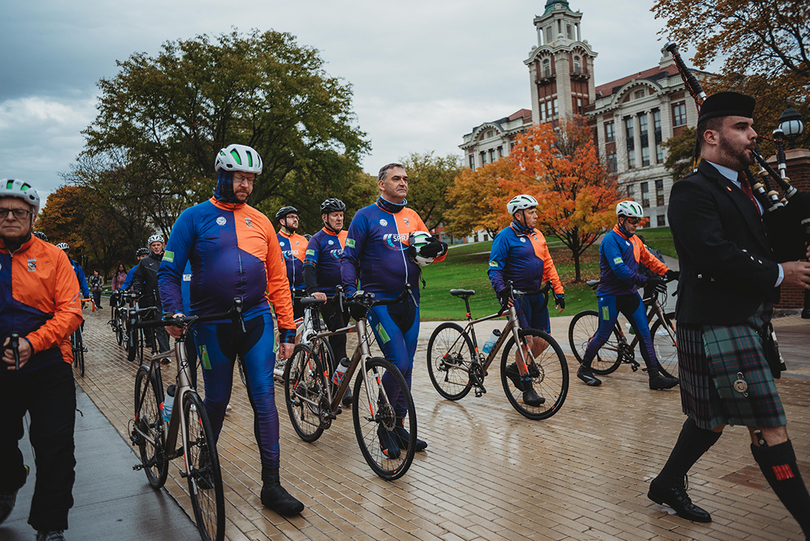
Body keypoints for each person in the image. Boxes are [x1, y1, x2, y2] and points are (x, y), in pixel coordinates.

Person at [647, 91, 810, 535]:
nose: (754, 134)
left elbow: (765, 244)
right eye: (743, 127)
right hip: (717, 321)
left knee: (711, 421)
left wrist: (796, 217)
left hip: (744, 319)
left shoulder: (744, 189)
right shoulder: (691, 191)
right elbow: (716, 255)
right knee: (769, 426)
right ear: (712, 135)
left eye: (752, 127)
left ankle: (665, 483)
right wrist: (779, 272)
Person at [158, 143, 303, 516]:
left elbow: (277, 279)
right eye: (239, 177)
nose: (245, 185)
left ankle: (271, 484)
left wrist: (287, 327)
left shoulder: (261, 220)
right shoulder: (193, 217)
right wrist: (174, 312)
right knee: (218, 399)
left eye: (251, 179)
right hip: (211, 324)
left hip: (256, 320)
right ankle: (207, 457)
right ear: (222, 175)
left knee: (265, 401)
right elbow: (169, 272)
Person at [341, 162, 447, 457]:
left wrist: (439, 250)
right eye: (396, 178)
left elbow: (430, 249)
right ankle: (384, 425)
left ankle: (398, 425)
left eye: (406, 179)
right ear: (381, 184)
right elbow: (348, 258)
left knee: (408, 366)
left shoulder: (412, 216)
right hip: (378, 302)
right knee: (397, 362)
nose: (403, 183)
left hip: (410, 300)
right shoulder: (365, 216)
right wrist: (352, 292)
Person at [0, 179, 83, 541]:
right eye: (2, 212)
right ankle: (10, 477)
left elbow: (71, 312)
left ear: (33, 215)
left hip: (48, 363)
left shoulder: (54, 256)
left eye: (18, 211)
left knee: (55, 447)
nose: (10, 217)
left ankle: (50, 524)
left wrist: (33, 344)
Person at [576, 201, 679, 390]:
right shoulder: (610, 240)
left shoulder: (635, 240)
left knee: (644, 333)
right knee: (604, 333)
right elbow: (620, 270)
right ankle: (584, 368)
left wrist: (667, 272)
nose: (635, 225)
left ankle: (654, 377)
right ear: (621, 219)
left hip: (630, 294)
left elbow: (649, 259)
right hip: (610, 296)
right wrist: (645, 281)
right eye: (632, 221)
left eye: (638, 222)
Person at [488, 194, 565, 407]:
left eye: (535, 212)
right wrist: (501, 290)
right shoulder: (504, 237)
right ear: (518, 215)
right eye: (531, 212)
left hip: (536, 295)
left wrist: (558, 290)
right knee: (527, 342)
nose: (536, 216)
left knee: (542, 340)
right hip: (517, 296)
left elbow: (548, 264)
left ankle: (515, 368)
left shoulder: (538, 235)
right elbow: (494, 268)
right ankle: (526, 387)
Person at [303, 197, 351, 405]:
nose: (339, 219)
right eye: (335, 215)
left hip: (347, 295)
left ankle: (337, 381)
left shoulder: (349, 236)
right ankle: (341, 386)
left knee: (343, 338)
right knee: (338, 339)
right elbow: (309, 267)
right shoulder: (317, 239)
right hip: (328, 297)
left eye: (341, 215)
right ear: (325, 217)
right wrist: (314, 291)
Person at [132, 234, 170, 356]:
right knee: (160, 326)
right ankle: (165, 353)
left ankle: (167, 349)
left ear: (163, 245)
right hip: (154, 298)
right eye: (154, 245)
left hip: (170, 297)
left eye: (158, 244)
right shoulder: (145, 262)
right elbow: (137, 278)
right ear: (150, 247)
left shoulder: (169, 258)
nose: (156, 247)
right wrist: (137, 291)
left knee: (169, 324)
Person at [275, 206, 307, 321]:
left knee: (300, 326)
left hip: (302, 292)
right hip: (282, 292)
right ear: (282, 221)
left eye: (296, 217)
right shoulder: (274, 240)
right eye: (291, 217)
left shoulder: (303, 240)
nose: (295, 220)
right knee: (283, 326)